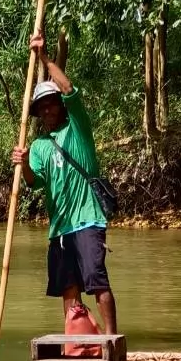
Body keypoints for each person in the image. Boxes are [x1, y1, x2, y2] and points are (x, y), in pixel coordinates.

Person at [11, 34, 118, 334]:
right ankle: (77, 343)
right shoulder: (41, 145)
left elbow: (69, 88)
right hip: (59, 228)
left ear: (59, 104)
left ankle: (111, 340)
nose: (47, 111)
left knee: (96, 280)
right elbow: (35, 183)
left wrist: (44, 57)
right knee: (68, 288)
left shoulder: (77, 127)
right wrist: (24, 163)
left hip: (87, 219)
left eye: (50, 104)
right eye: (41, 107)